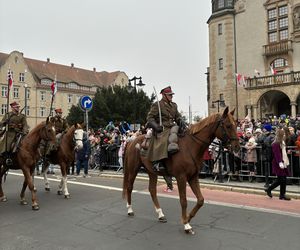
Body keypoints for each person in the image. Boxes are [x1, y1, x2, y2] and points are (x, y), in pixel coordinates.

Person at [146, 86, 183, 171]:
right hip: (162, 128)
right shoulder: (157, 105)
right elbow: (150, 117)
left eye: (171, 95)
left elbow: (177, 116)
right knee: (163, 140)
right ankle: (157, 162)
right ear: (164, 95)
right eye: (169, 95)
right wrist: (155, 126)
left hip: (173, 127)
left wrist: (180, 120)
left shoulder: (174, 105)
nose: (171, 96)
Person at [265, 128, 291, 200]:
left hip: (283, 162)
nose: (285, 135)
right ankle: (269, 189)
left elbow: (282, 152)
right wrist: (280, 162)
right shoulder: (275, 143)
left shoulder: (282, 142)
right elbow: (277, 154)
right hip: (278, 163)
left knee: (283, 179)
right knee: (281, 179)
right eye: (284, 134)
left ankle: (282, 195)